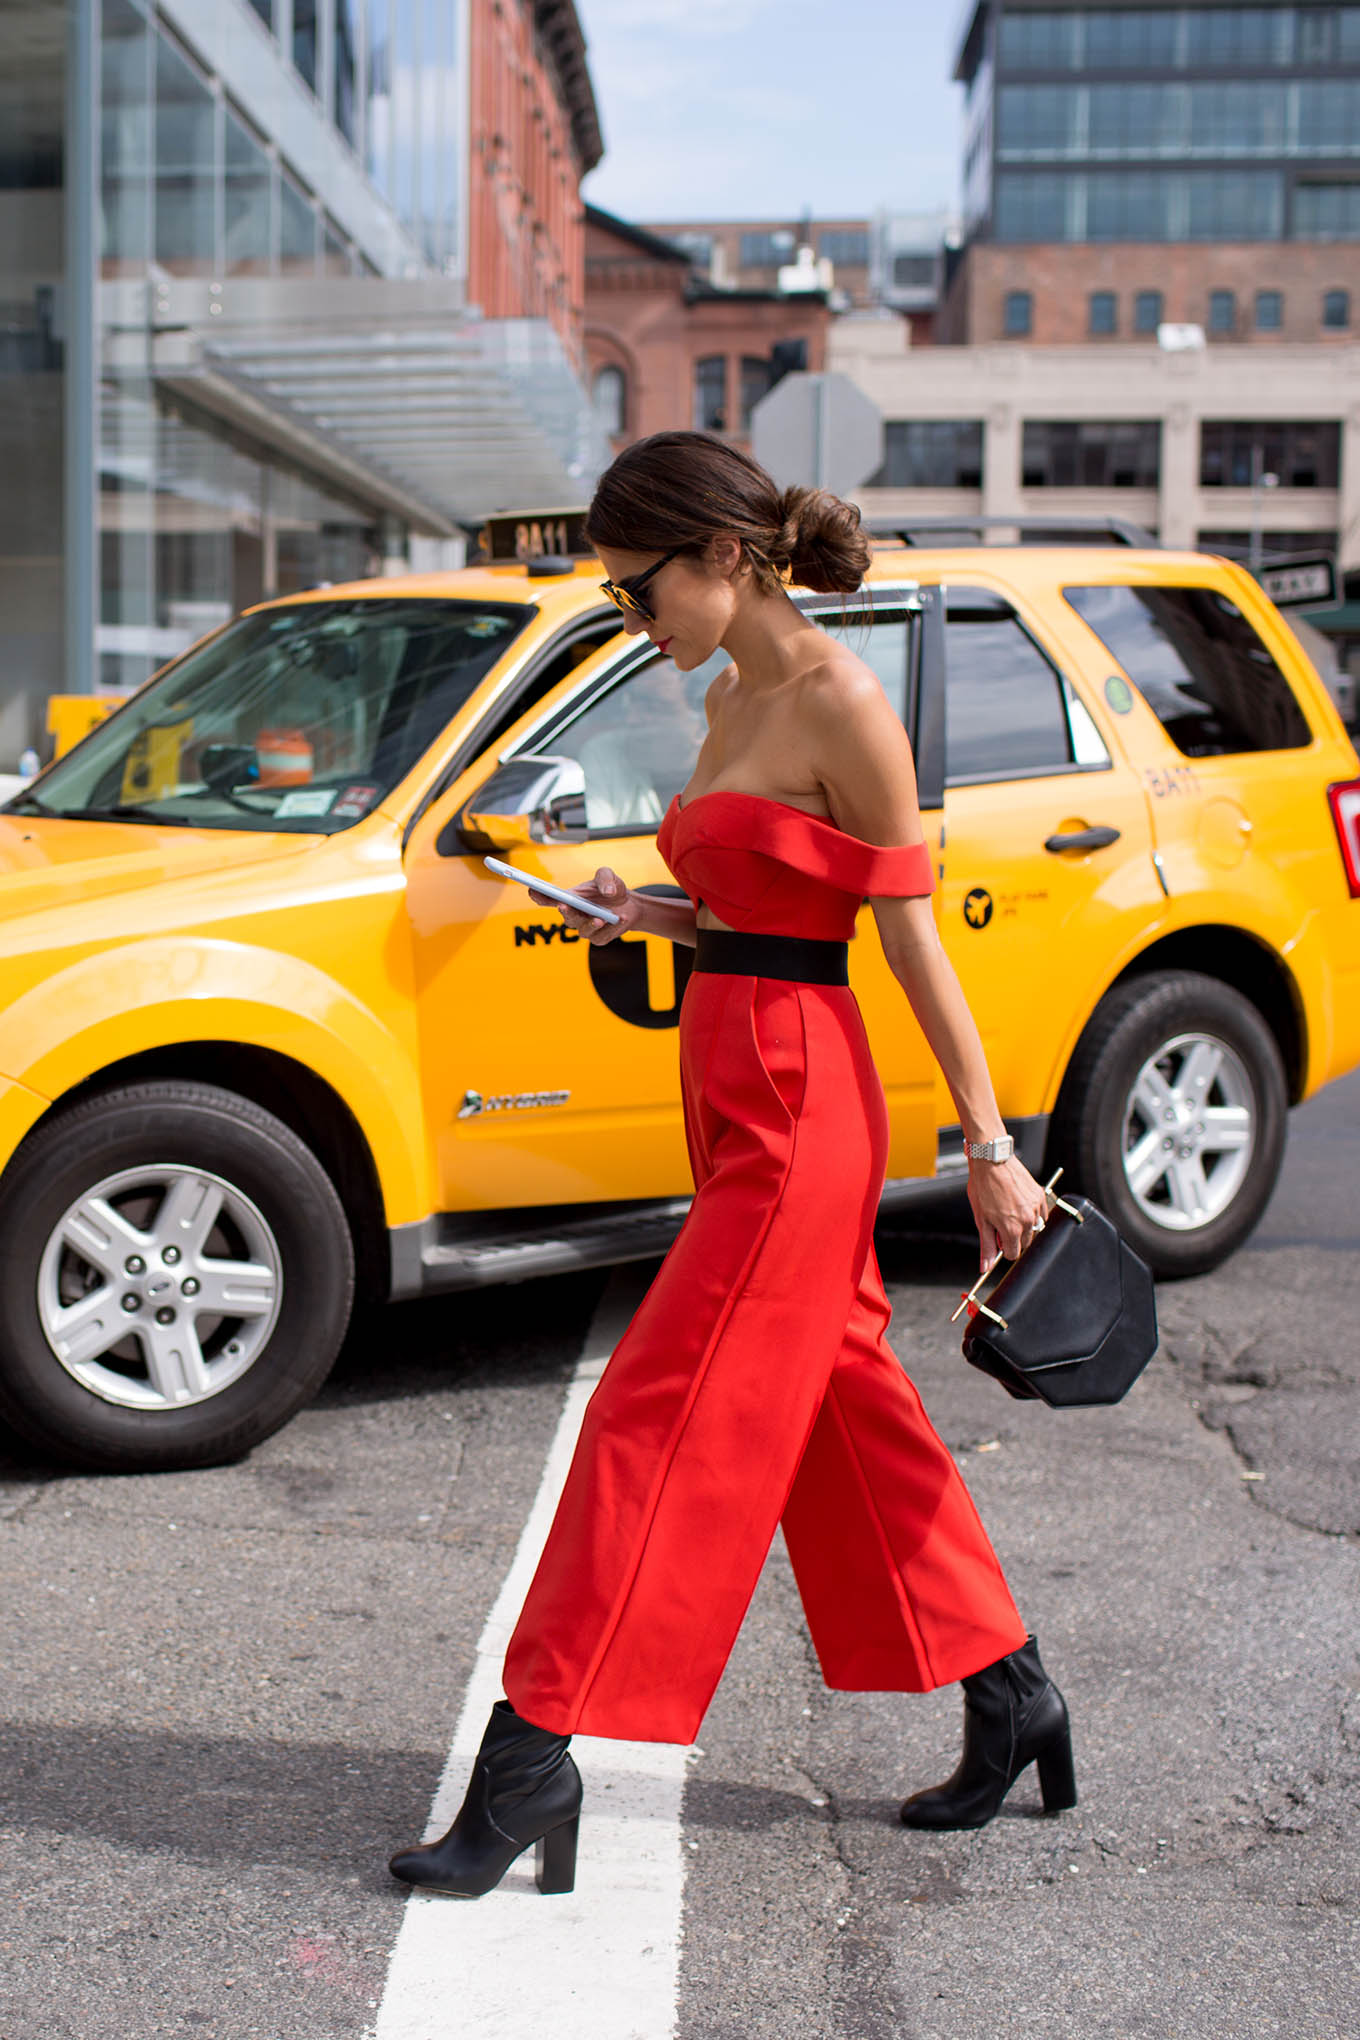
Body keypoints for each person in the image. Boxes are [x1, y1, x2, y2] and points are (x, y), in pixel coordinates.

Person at [387, 433, 1076, 1902]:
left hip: (802, 1112)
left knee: (653, 1414)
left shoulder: (845, 704)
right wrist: (639, 908)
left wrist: (993, 1151)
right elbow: (758, 915)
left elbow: (904, 942)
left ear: (725, 556)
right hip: (729, 1088)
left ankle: (533, 1754)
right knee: (850, 1408)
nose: (634, 621)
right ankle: (1012, 1689)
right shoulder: (724, 696)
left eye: (639, 590)